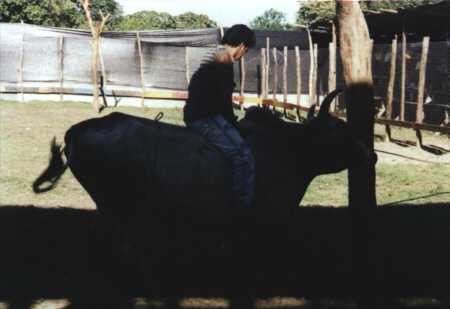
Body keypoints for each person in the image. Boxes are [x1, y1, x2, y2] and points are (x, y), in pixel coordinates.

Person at [183, 24, 256, 208]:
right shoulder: (224, 60)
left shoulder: (215, 55)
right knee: (243, 156)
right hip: (204, 117)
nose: (243, 55)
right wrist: (235, 127)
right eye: (246, 50)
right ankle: (239, 207)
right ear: (241, 45)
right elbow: (223, 103)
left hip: (200, 112)